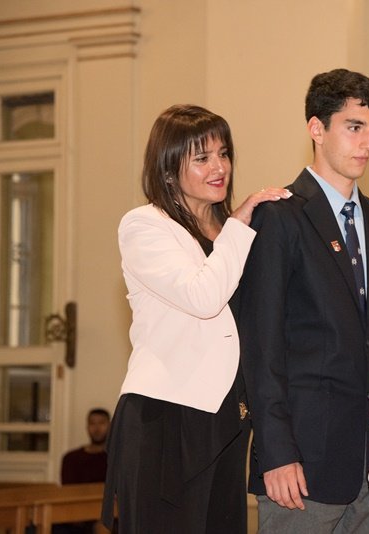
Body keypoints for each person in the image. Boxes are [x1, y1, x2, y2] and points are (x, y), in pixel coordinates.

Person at [101, 104, 291, 533]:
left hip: (228, 420)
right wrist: (239, 224)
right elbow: (203, 297)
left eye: (223, 154)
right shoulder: (145, 226)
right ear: (169, 169)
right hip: (166, 419)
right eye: (202, 158)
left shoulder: (233, 233)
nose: (219, 167)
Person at [238, 68, 369, 533]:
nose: (368, 144)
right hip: (302, 466)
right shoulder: (281, 218)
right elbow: (260, 345)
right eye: (354, 127)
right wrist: (276, 451)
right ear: (316, 128)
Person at [61, 408, 110, 485]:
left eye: (101, 423)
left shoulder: (117, 459)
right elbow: (68, 489)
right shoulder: (71, 459)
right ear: (87, 427)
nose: (97, 428)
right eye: (92, 423)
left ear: (110, 426)